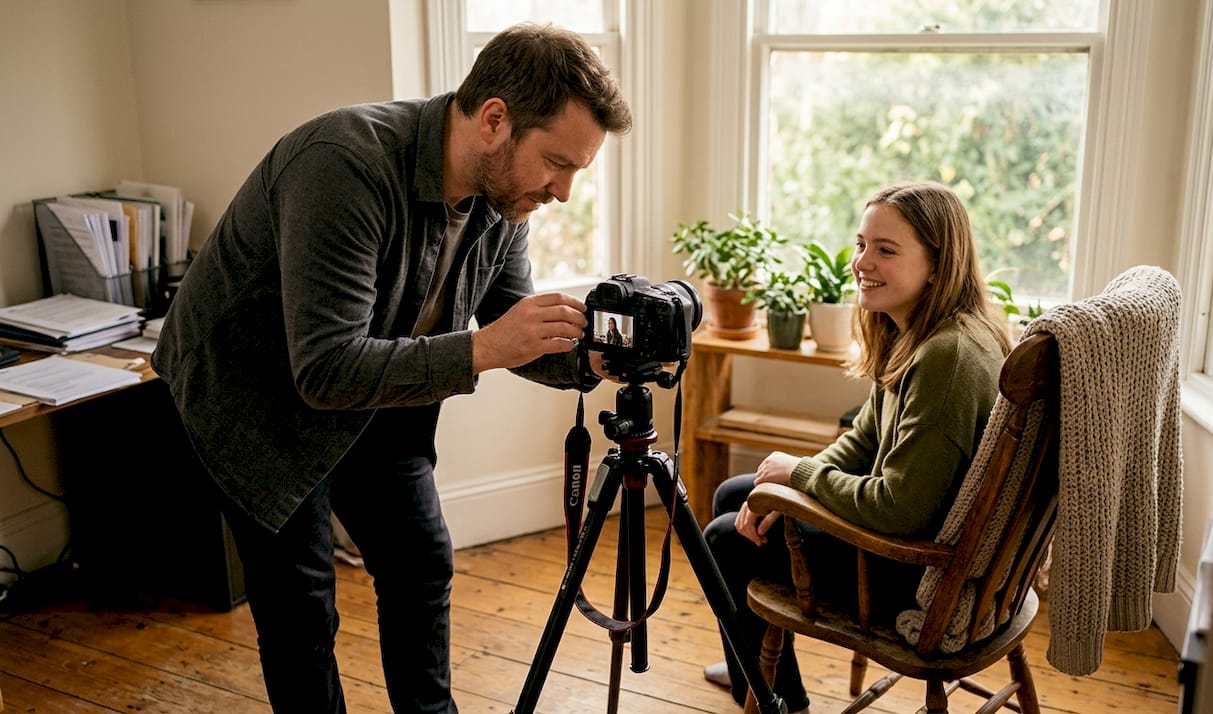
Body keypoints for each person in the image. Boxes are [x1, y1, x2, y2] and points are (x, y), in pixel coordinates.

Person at [151, 23, 630, 714]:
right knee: (302, 604)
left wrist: (590, 359)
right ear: (495, 119)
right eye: (558, 163)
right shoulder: (343, 164)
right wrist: (486, 348)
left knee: (419, 562)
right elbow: (324, 369)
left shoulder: (503, 202)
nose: (562, 192)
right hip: (255, 398)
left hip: (380, 388)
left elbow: (510, 324)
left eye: (576, 172)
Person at [700, 181, 1013, 712]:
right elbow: (865, 439)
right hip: (916, 543)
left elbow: (901, 508)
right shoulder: (918, 331)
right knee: (739, 491)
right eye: (862, 243)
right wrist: (786, 482)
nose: (863, 261)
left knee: (724, 539)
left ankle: (764, 688)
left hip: (916, 573)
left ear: (938, 266)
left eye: (886, 250)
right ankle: (766, 673)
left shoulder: (947, 359)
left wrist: (797, 478)